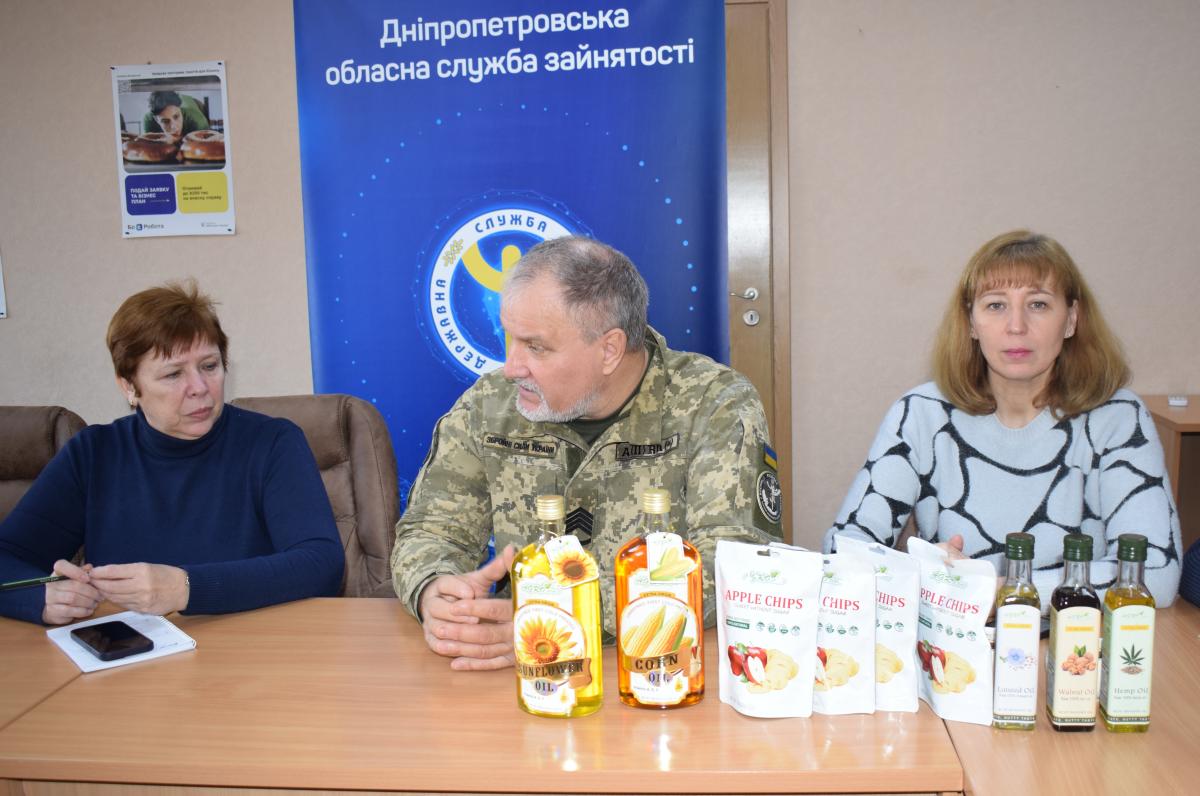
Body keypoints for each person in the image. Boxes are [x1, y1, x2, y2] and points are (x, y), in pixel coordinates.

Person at [392, 236, 784, 670]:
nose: (511, 367)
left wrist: (565, 619)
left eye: (535, 347)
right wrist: (436, 590)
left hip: (662, 671)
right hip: (523, 676)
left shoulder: (713, 405)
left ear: (609, 349)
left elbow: (736, 561)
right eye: (510, 339)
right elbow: (431, 531)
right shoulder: (490, 405)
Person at [825, 230, 1182, 609]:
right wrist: (923, 573)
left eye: (1038, 304)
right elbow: (843, 554)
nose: (1016, 326)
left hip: (1075, 641)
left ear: (1071, 320)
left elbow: (1155, 575)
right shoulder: (921, 413)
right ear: (971, 322)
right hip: (950, 639)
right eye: (995, 305)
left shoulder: (1118, 418)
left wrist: (996, 590)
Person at [0, 282, 344, 625]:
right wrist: (41, 597)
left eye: (209, 366)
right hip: (132, 650)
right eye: (174, 374)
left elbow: (321, 563)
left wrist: (186, 588)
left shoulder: (273, 442)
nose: (200, 388)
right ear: (129, 386)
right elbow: (7, 558)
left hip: (252, 644)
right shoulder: (93, 454)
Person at [142, 90, 210, 142]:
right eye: (165, 121)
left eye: (176, 117)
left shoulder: (197, 120)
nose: (173, 127)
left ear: (180, 109)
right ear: (156, 119)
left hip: (195, 103)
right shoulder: (148, 120)